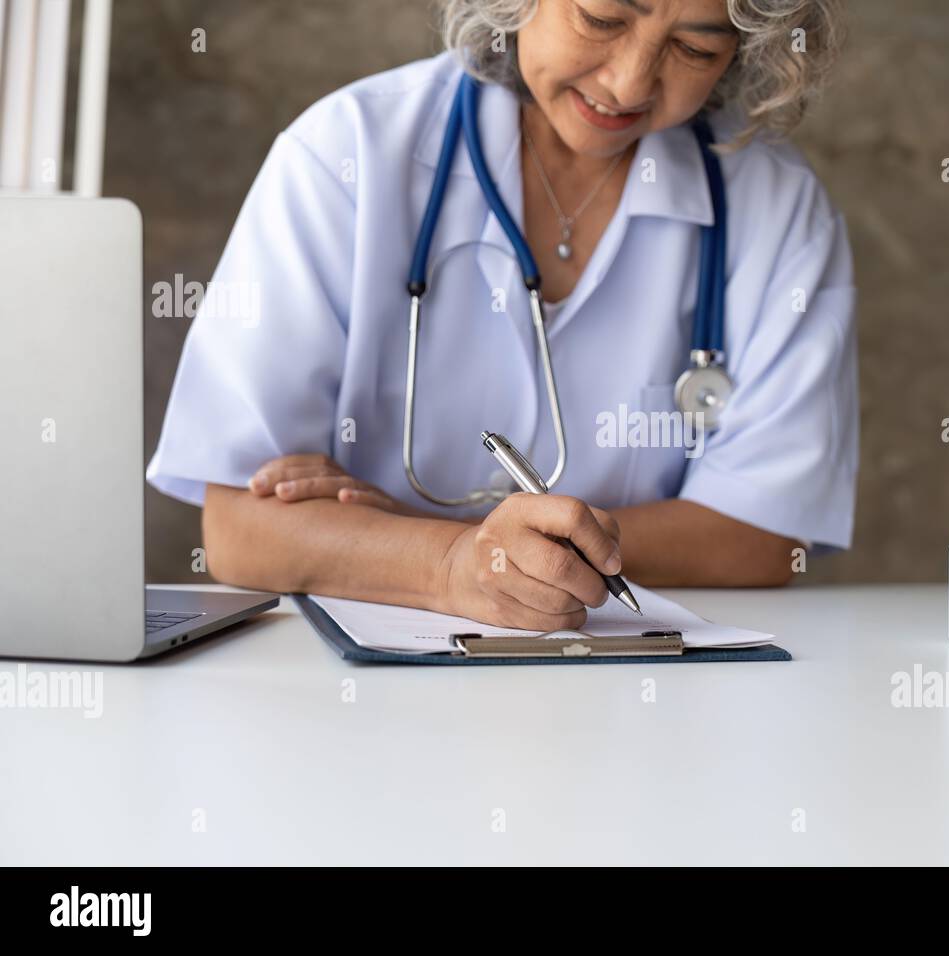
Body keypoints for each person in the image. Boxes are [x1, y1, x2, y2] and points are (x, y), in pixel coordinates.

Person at [148, 0, 857, 629]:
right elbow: (242, 527)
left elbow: (762, 537)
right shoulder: (346, 153)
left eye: (694, 49)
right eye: (602, 20)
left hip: (642, 702)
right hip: (367, 712)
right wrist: (456, 562)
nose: (630, 83)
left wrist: (418, 542)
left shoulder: (776, 205)